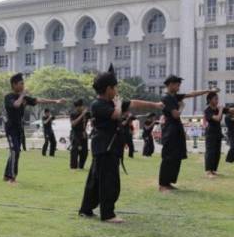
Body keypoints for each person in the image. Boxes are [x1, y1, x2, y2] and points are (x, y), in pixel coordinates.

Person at [79, 65, 162, 223]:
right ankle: (108, 214)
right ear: (108, 89)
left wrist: (155, 105)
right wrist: (118, 104)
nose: (117, 90)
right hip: (105, 148)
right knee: (109, 181)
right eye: (115, 87)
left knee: (95, 181)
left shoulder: (111, 102)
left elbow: (134, 103)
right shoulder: (98, 105)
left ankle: (86, 209)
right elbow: (116, 114)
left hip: (108, 148)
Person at [159, 75, 216, 193]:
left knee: (177, 156)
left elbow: (192, 94)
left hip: (176, 128)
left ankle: (169, 182)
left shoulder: (174, 96)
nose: (179, 87)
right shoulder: (166, 98)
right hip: (170, 130)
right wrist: (181, 107)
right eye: (177, 84)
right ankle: (163, 185)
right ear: (170, 84)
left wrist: (208, 91)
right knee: (168, 157)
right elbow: (175, 114)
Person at [4, 73, 64, 184]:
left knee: (15, 151)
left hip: (19, 128)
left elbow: (38, 100)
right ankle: (12, 178)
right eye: (21, 83)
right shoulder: (9, 97)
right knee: (15, 150)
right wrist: (23, 95)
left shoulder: (24, 97)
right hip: (11, 128)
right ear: (14, 84)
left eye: (23, 83)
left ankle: (7, 176)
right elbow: (16, 105)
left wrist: (55, 101)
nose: (23, 85)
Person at [203, 92, 231, 178]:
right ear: (210, 100)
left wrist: (224, 109)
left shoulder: (218, 108)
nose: (217, 100)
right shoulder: (207, 110)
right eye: (215, 98)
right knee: (210, 152)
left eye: (217, 98)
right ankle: (208, 171)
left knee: (217, 152)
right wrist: (221, 110)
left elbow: (230, 110)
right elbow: (218, 119)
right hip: (210, 133)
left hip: (218, 133)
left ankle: (213, 170)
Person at [70, 99, 89, 169]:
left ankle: (81, 166)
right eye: (79, 106)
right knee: (75, 150)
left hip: (83, 133)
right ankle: (73, 167)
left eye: (81, 106)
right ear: (76, 107)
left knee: (85, 151)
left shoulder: (87, 114)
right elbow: (73, 124)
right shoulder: (73, 114)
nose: (81, 107)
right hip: (75, 133)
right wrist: (82, 115)